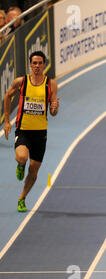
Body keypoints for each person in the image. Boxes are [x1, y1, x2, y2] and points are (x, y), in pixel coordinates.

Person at [3, 51, 59, 212]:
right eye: (34, 63)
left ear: (44, 64)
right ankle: (21, 164)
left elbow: (53, 111)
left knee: (33, 171)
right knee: (22, 156)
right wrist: (7, 121)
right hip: (23, 130)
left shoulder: (51, 84)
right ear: (30, 64)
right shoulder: (21, 82)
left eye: (40, 63)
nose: (37, 66)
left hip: (40, 134)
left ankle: (22, 198)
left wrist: (55, 108)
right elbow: (7, 96)